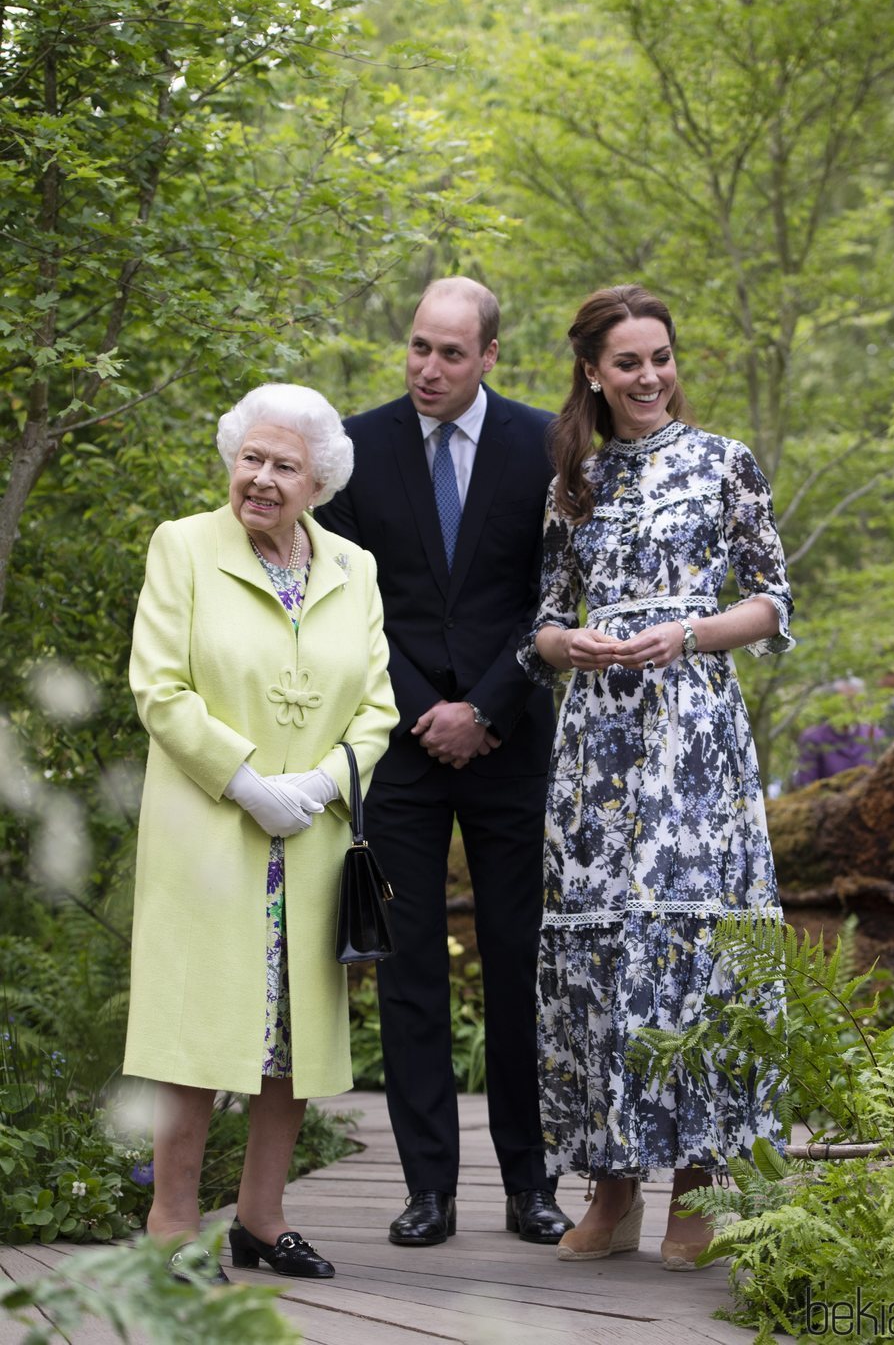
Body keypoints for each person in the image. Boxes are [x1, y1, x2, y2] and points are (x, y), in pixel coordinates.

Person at [517, 285, 794, 1269]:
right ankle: (612, 1186)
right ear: (592, 370)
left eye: (660, 357)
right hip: (598, 751)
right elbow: (541, 624)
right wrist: (570, 644)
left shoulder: (724, 464)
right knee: (604, 956)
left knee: (691, 946)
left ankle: (694, 1184)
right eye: (627, 361)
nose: (648, 376)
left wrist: (684, 632)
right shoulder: (572, 481)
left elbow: (768, 600)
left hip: (692, 737)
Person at [315, 276, 572, 1247]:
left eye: (450, 353)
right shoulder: (355, 447)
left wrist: (490, 706)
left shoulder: (546, 446)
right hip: (403, 748)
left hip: (512, 743)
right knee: (408, 968)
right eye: (418, 347)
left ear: (490, 357)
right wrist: (430, 711)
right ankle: (428, 1189)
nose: (427, 368)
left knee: (517, 965)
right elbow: (344, 603)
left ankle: (529, 1186)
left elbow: (554, 592)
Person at [125, 383, 398, 1282]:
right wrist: (245, 781)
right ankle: (170, 1223)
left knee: (290, 1038)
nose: (263, 479)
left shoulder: (353, 568)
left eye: (285, 465)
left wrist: (322, 784)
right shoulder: (185, 547)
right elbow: (160, 688)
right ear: (230, 460)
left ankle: (260, 1216)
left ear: (318, 480)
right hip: (212, 832)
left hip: (311, 842)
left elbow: (378, 706)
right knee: (195, 1033)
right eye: (252, 458)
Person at [791, 677, 882, 786]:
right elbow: (806, 784)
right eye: (845, 700)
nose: (850, 705)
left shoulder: (874, 735)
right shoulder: (813, 738)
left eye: (854, 700)